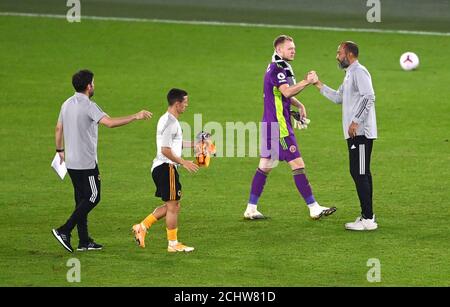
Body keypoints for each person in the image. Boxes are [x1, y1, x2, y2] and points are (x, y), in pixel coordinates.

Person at [52, 69, 152, 252]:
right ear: (88, 86)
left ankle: (84, 241)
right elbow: (110, 123)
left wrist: (59, 150)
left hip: (71, 162)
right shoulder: (89, 106)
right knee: (93, 197)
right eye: (93, 83)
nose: (94, 85)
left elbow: (58, 129)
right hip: (86, 163)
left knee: (81, 200)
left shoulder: (66, 104)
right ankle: (64, 230)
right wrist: (135, 116)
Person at [243, 35, 336, 220]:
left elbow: (279, 93)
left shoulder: (276, 66)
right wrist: (307, 81)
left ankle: (251, 208)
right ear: (279, 50)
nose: (293, 50)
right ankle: (313, 207)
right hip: (279, 128)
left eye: (294, 48)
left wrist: (299, 105)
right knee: (297, 164)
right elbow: (286, 91)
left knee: (266, 165)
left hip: (269, 124)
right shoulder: (277, 69)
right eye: (289, 48)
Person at [309, 41, 378, 231]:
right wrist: (318, 84)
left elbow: (369, 96)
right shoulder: (349, 75)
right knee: (361, 172)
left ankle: (368, 219)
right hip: (356, 135)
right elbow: (338, 97)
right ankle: (368, 215)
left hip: (361, 133)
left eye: (339, 53)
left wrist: (355, 121)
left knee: (360, 172)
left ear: (349, 55)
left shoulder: (359, 72)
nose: (337, 56)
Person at [132, 88, 199, 253]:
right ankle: (173, 244)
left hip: (163, 167)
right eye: (185, 102)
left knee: (174, 205)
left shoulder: (169, 120)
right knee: (173, 206)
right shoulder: (170, 122)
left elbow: (176, 143)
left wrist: (195, 144)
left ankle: (142, 226)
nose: (187, 105)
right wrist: (184, 162)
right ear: (177, 104)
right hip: (166, 167)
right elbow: (165, 149)